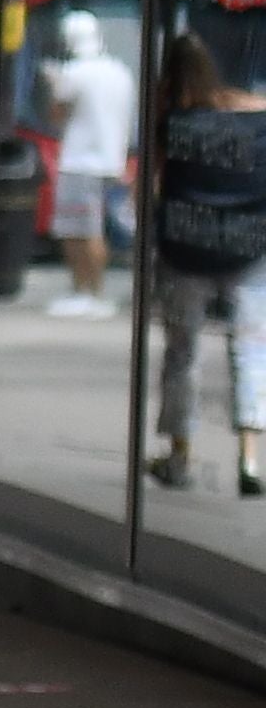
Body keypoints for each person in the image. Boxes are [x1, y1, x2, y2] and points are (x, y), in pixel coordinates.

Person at [146, 37, 266, 500]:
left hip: (185, 249)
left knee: (182, 354)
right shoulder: (252, 114)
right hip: (246, 246)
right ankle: (250, 458)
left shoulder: (170, 123)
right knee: (251, 352)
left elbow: (154, 186)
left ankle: (180, 456)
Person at [43, 9, 141, 316]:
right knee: (96, 226)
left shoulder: (75, 72)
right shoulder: (119, 71)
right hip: (111, 159)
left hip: (79, 160)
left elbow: (57, 115)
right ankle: (93, 291)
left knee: (78, 230)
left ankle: (87, 291)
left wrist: (52, 84)